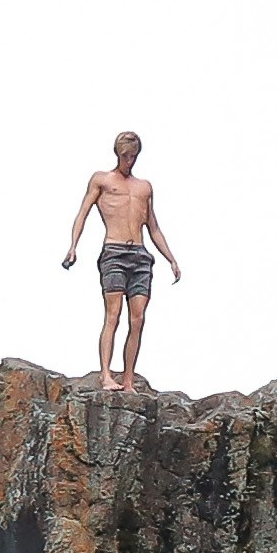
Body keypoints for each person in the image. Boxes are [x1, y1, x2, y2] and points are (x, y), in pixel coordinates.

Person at [58, 131, 187, 388]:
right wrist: (73, 246)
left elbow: (154, 227)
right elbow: (82, 213)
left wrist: (171, 258)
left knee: (137, 318)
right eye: (127, 156)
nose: (130, 161)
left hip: (140, 255)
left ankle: (128, 379)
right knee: (113, 314)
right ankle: (106, 374)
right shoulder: (102, 180)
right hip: (114, 252)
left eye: (134, 156)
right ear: (118, 154)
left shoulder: (144, 187)